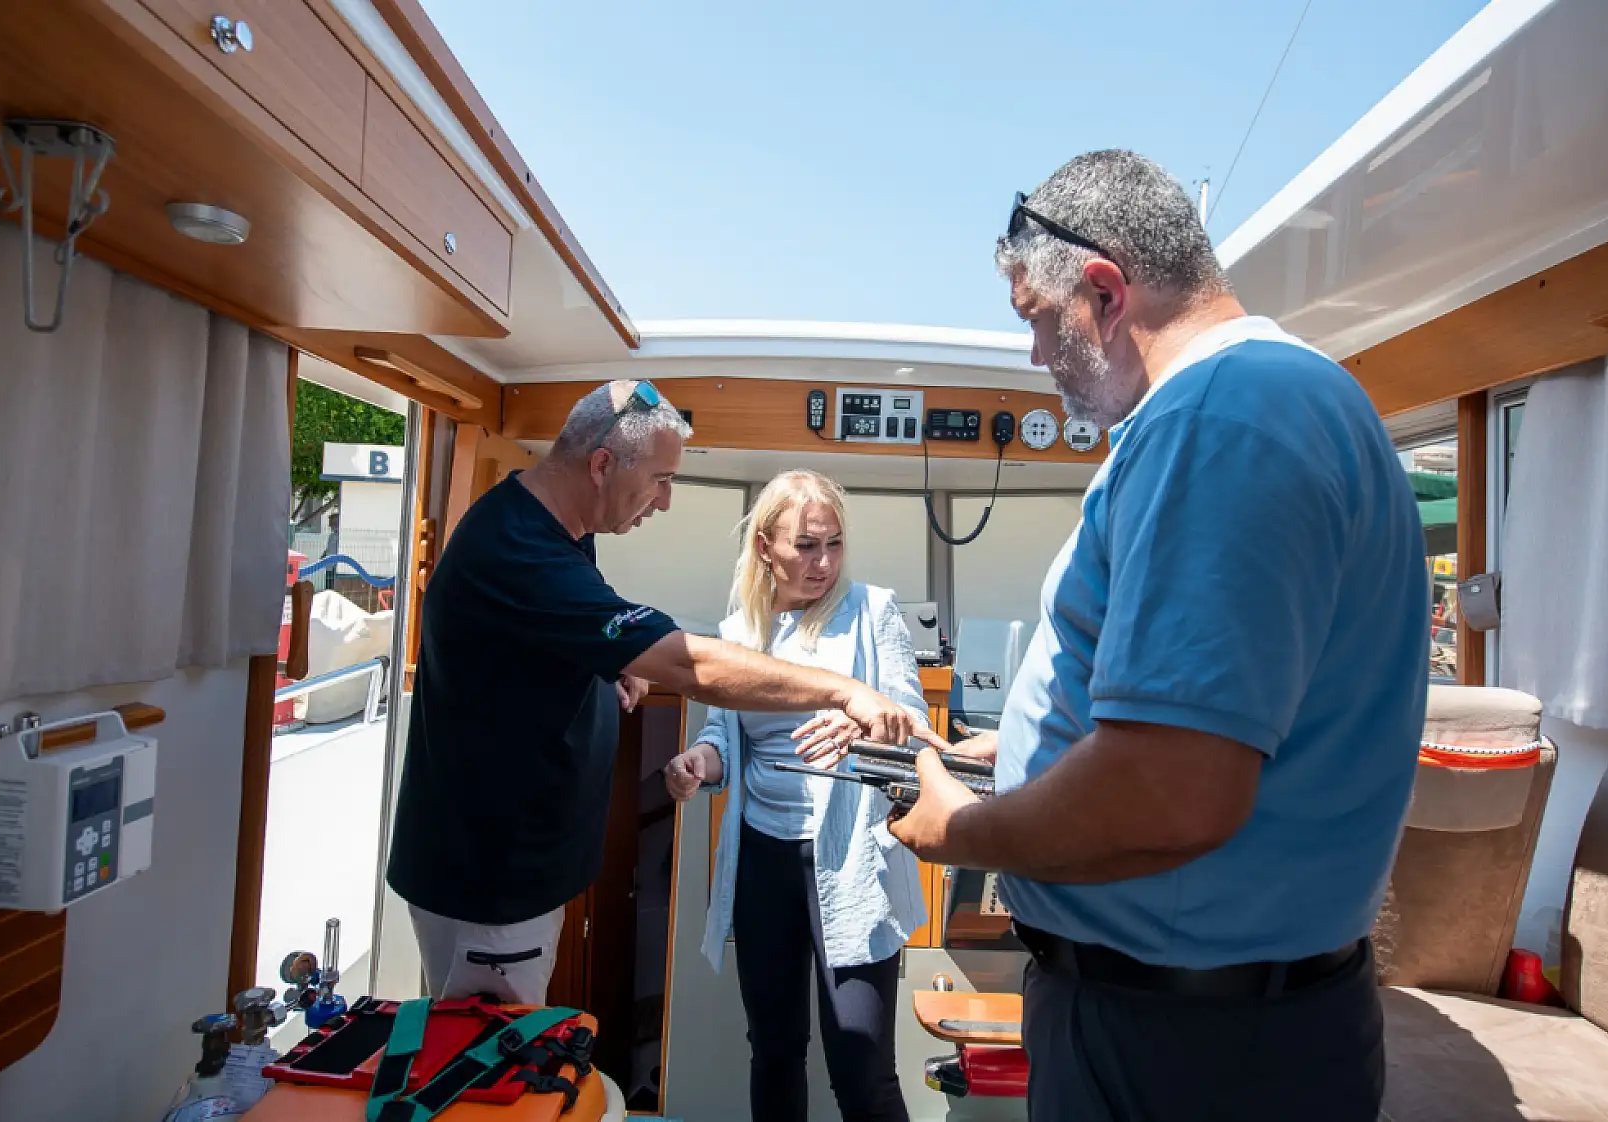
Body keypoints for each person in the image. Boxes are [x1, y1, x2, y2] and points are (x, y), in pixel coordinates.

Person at [888, 151, 1429, 1121]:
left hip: (1180, 1048)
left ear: (1102, 289)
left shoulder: (1217, 419)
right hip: (1226, 1026)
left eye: (1035, 320)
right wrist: (1015, 752)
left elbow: (1165, 798)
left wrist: (954, 829)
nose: (1033, 357)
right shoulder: (1294, 393)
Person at [385, 381, 917, 1008]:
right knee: (482, 1074)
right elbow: (685, 666)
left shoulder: (555, 530)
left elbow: (556, 633)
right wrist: (844, 691)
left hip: (516, 871)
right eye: (662, 479)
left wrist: (602, 663)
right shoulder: (520, 551)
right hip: (490, 882)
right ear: (603, 465)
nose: (664, 501)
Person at [665, 470, 933, 1122]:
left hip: (851, 868)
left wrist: (866, 719)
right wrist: (700, 762)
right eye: (807, 546)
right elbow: (723, 739)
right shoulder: (738, 634)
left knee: (862, 1069)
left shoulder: (874, 613)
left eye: (834, 545)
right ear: (765, 547)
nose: (823, 563)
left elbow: (917, 726)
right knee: (776, 1052)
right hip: (765, 862)